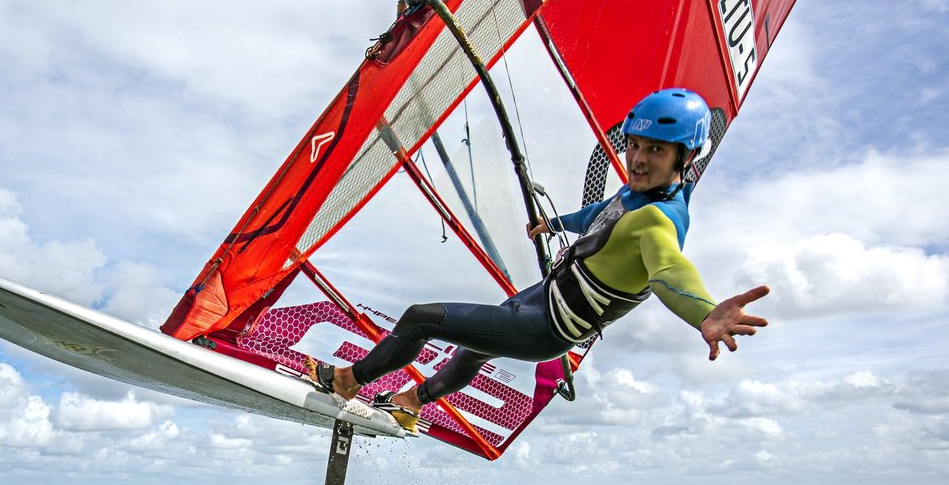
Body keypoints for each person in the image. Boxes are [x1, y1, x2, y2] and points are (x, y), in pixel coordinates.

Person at [307, 88, 769, 431]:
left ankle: (350, 379)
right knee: (472, 349)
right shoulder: (639, 192)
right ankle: (411, 401)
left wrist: (705, 312)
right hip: (540, 299)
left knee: (421, 318)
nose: (638, 159)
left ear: (685, 158)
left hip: (547, 328)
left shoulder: (657, 223)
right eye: (634, 145)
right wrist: (555, 224)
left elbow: (670, 270)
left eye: (656, 150)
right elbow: (599, 213)